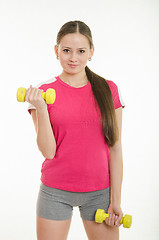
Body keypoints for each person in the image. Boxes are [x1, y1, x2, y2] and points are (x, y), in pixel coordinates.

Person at [26, 20, 125, 240]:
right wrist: (41, 109)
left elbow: (115, 147)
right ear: (56, 51)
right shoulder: (43, 91)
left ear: (91, 52)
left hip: (100, 193)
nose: (73, 58)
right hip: (55, 192)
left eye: (81, 51)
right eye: (66, 50)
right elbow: (48, 152)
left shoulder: (109, 89)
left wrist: (115, 200)